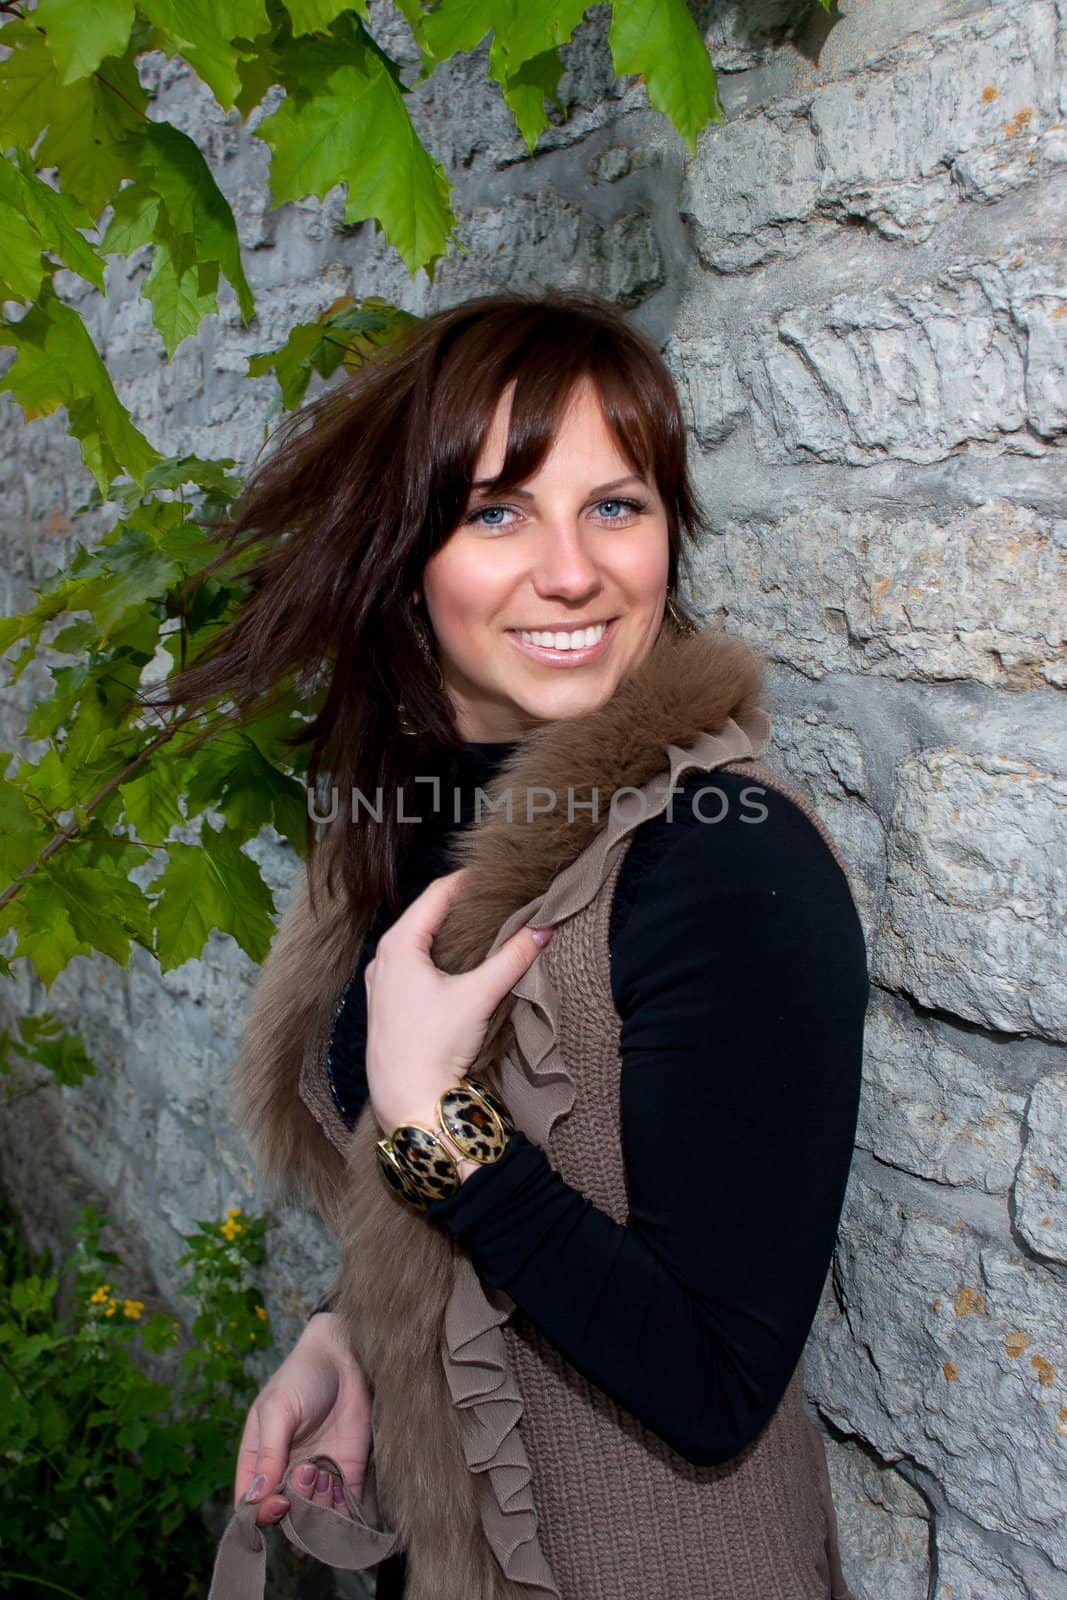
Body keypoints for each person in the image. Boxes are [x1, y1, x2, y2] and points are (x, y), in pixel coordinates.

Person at [186, 290, 869, 1600]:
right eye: (500, 510)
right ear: (406, 552)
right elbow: (463, 1238)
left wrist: (441, 1122)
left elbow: (716, 1381)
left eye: (618, 505)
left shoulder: (725, 866)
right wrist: (353, 1336)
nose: (573, 569)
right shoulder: (398, 830)